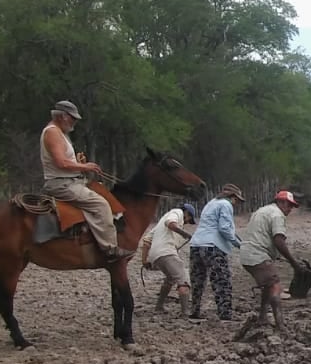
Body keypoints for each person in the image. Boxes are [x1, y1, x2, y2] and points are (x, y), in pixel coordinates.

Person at [39, 99, 132, 262]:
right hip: (61, 184)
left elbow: (64, 162)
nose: (74, 122)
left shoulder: (61, 133)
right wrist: (86, 167)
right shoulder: (52, 132)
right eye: (72, 118)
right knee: (100, 204)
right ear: (62, 116)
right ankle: (109, 249)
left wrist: (79, 164)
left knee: (102, 192)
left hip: (69, 180)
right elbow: (61, 162)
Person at [239, 190, 306, 331]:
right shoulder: (278, 215)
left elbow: (263, 235)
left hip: (246, 253)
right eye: (289, 205)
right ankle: (280, 324)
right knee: (275, 285)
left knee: (268, 285)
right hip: (257, 254)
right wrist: (294, 264)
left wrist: (276, 255)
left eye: (292, 206)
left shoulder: (262, 210)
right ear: (280, 202)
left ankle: (262, 318)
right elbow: (278, 240)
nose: (290, 209)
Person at [188, 184, 245, 320]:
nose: (236, 203)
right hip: (213, 247)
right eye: (237, 200)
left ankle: (195, 312)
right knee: (221, 281)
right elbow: (224, 229)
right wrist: (239, 245)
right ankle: (225, 314)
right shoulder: (226, 205)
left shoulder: (211, 203)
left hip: (196, 244)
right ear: (232, 197)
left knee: (197, 282)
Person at [140, 203, 197, 316]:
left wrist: (144, 260)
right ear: (186, 212)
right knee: (183, 279)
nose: (187, 221)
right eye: (189, 218)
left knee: (170, 278)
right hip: (166, 252)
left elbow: (146, 241)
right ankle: (185, 312)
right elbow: (170, 224)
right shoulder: (177, 212)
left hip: (155, 256)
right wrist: (186, 234)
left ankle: (159, 306)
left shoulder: (161, 222)